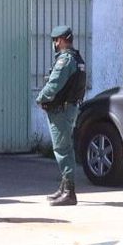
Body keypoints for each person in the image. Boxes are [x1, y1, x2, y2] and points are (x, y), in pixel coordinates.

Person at [37, 24, 87, 205]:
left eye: (55, 41)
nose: (54, 44)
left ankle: (69, 192)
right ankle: (64, 187)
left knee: (62, 150)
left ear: (60, 41)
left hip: (61, 110)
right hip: (69, 107)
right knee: (65, 148)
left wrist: (40, 98)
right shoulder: (76, 58)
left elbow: (54, 85)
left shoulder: (65, 60)